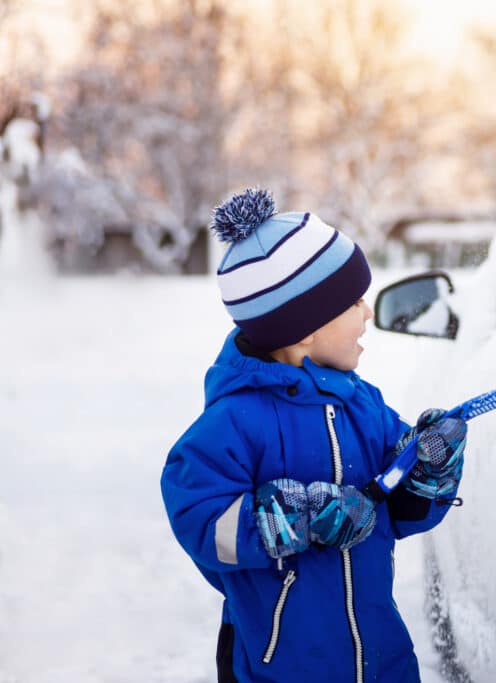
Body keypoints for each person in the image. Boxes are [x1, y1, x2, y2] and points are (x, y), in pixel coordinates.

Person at [160, 188, 466, 683]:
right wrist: (297, 518)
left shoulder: (361, 404)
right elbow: (198, 515)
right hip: (279, 667)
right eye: (353, 302)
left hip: (380, 661)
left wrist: (429, 470)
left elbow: (396, 506)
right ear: (303, 327)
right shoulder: (235, 421)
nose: (368, 313)